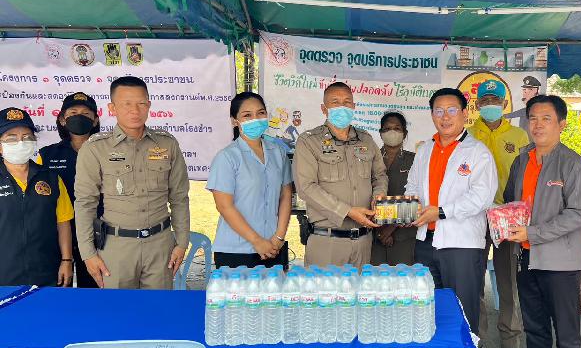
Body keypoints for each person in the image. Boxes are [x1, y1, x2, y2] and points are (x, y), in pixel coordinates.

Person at [74, 76, 190, 289]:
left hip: (160, 246)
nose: (135, 110)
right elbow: (85, 203)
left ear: (149, 105)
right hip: (117, 248)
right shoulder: (95, 148)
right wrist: (88, 253)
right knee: (118, 309)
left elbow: (179, 198)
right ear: (112, 108)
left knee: (158, 307)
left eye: (141, 103)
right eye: (126, 103)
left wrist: (182, 242)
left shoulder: (167, 144)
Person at [505, 95, 581, 348]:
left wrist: (532, 232)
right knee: (535, 333)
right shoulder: (522, 160)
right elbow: (511, 201)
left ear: (562, 124)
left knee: (567, 339)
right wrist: (504, 221)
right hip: (526, 259)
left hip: (560, 267)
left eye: (546, 118)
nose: (538, 125)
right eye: (533, 118)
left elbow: (578, 214)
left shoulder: (574, 164)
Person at [406, 87, 497, 333]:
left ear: (464, 114)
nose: (445, 117)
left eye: (452, 110)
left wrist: (441, 212)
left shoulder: (478, 152)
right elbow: (412, 186)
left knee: (462, 312)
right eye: (439, 111)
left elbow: (481, 197)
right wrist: (409, 207)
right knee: (428, 309)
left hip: (461, 245)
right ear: (432, 115)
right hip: (426, 242)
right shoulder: (425, 149)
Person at [293, 82, 388, 268]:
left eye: (347, 102)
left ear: (353, 107)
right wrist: (347, 212)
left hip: (363, 242)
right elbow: (306, 187)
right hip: (327, 241)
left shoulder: (366, 140)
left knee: (361, 288)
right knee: (325, 288)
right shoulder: (309, 141)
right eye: (335, 102)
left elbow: (380, 175)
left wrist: (379, 196)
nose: (342, 107)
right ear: (324, 109)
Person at [468, 79, 529, 348]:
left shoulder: (519, 136)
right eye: (485, 101)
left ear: (505, 104)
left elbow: (526, 176)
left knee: (508, 282)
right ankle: (476, 340)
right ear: (477, 105)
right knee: (474, 281)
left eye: (495, 101)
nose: (490, 105)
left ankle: (511, 343)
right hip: (475, 217)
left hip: (508, 218)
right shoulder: (468, 135)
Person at [207, 92, 293, 269]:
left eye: (260, 113)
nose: (256, 119)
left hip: (274, 247)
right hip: (236, 250)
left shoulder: (278, 152)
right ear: (234, 121)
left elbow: (285, 195)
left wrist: (278, 237)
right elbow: (224, 206)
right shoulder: (227, 157)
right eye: (247, 115)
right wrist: (257, 241)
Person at [0, 107, 74, 287]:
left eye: (27, 137)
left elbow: (63, 223)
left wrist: (67, 260)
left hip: (46, 271)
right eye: (11, 138)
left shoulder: (51, 178)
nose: (20, 142)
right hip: (4, 272)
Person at [39, 92, 102, 288]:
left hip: (97, 234)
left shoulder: (107, 152)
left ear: (95, 120)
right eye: (73, 113)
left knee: (94, 291)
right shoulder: (47, 155)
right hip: (59, 233)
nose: (79, 117)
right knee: (58, 289)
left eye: (86, 114)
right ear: (62, 119)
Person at [371, 111, 416, 265]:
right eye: (387, 128)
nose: (392, 132)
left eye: (397, 128)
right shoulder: (369, 160)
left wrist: (390, 228)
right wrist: (380, 231)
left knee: (404, 278)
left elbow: (418, 197)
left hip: (404, 235)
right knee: (374, 277)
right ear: (380, 133)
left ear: (405, 133)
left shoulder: (415, 160)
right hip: (374, 234)